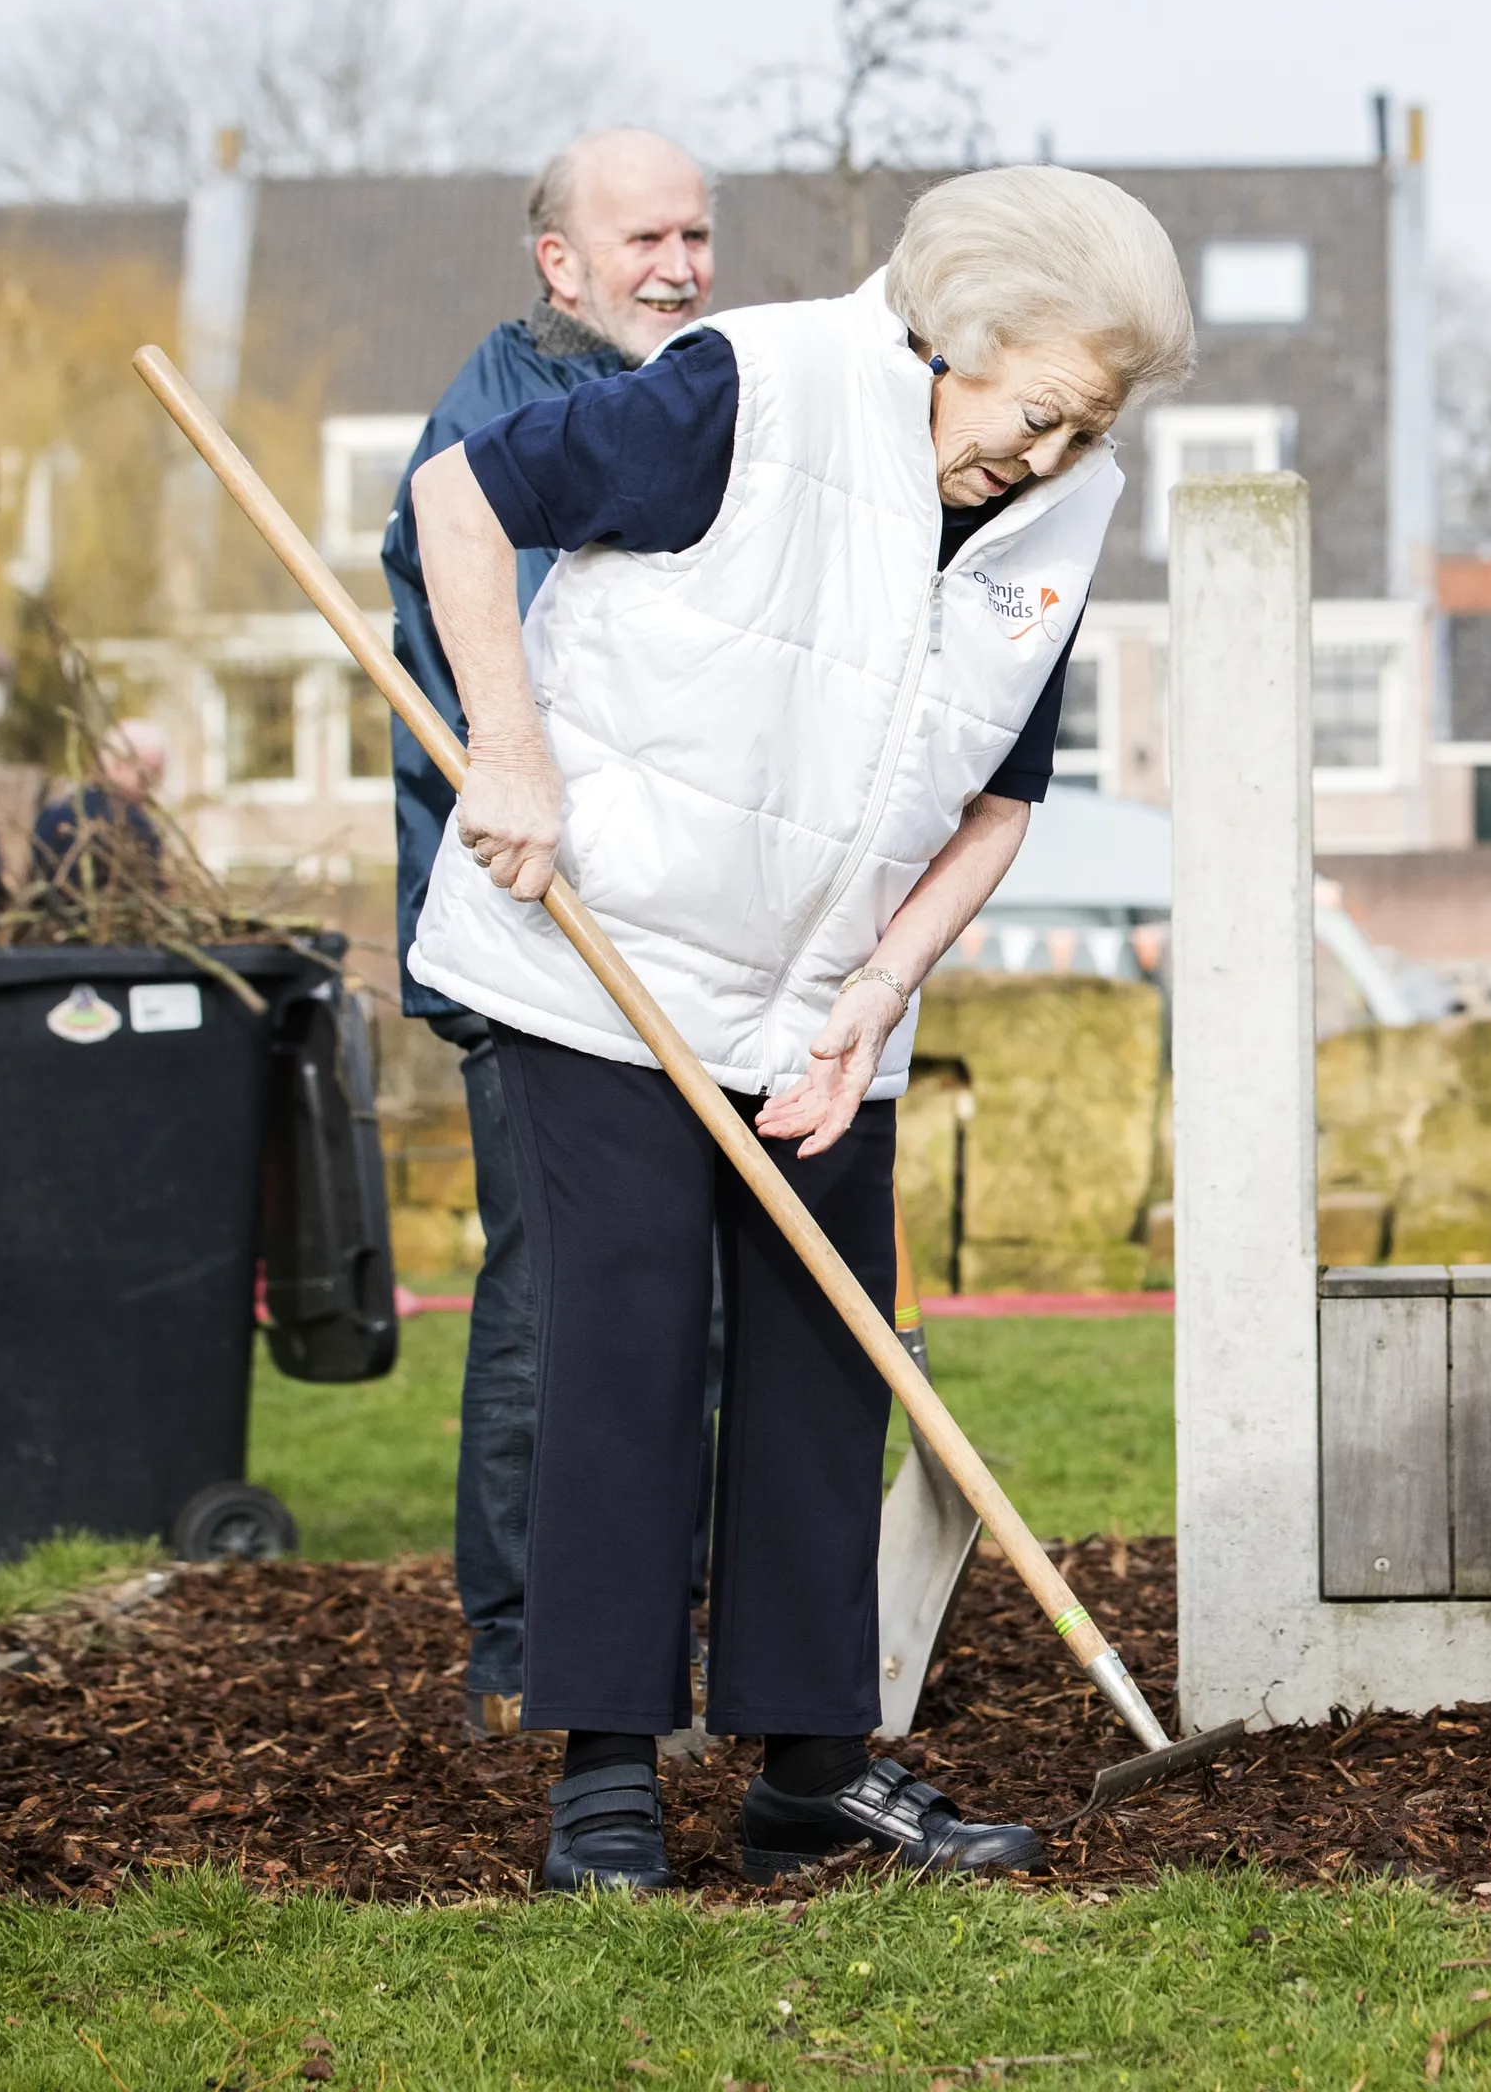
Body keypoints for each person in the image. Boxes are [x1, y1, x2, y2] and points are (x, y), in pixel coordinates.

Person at [407, 164, 1183, 1892]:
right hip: (607, 959)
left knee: (832, 1362)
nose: (1050, 461)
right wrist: (511, 754)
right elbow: (459, 499)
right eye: (1040, 415)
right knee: (624, 1349)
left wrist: (876, 999)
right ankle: (603, 1775)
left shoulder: (1066, 498)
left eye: (1088, 430)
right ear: (954, 339)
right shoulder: (744, 391)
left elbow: (998, 798)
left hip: (827, 999)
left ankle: (814, 1770)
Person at [380, 127, 718, 1741]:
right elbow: (517, 707)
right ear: (559, 263)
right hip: (540, 938)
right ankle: (519, 1645)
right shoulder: (508, 430)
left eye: (698, 236)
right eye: (644, 238)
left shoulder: (669, 403)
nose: (681, 265)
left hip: (673, 942)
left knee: (677, 1295)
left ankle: (674, 1618)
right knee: (553, 1299)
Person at [28, 719, 168, 910]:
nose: (152, 789)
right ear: (118, 765)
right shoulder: (136, 827)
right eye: (148, 777)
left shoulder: (55, 809)